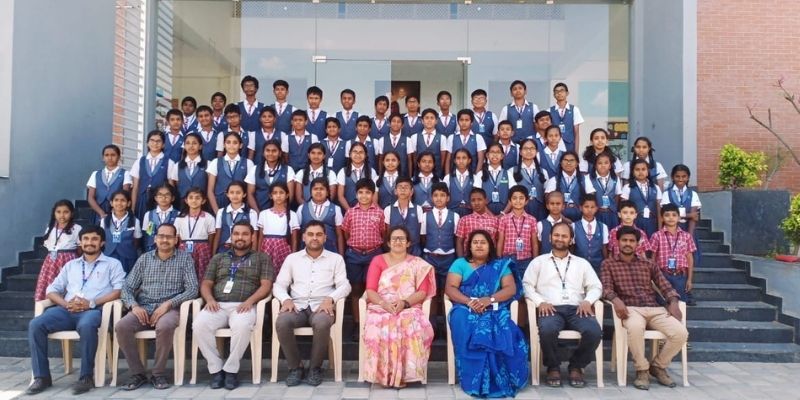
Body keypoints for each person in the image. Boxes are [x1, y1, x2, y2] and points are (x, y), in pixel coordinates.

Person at [26, 225, 126, 395]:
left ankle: (86, 377)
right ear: (80, 241)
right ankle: (42, 377)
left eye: (94, 239)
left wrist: (91, 303)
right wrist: (65, 304)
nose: (89, 242)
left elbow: (119, 291)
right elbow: (51, 290)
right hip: (67, 311)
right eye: (85, 239)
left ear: (102, 242)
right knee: (36, 324)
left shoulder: (112, 264)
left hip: (93, 311)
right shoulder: (70, 265)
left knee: (87, 325)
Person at [601, 226, 689, 390]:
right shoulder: (608, 264)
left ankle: (658, 366)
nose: (628, 243)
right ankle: (642, 370)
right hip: (630, 309)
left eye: (632, 241)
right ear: (617, 242)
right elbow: (606, 288)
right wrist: (615, 299)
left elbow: (665, 285)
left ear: (637, 243)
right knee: (635, 328)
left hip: (654, 308)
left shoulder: (648, 263)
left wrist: (673, 301)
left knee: (681, 333)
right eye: (624, 240)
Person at [446, 230, 529, 398]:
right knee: (463, 321)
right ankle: (473, 379)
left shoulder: (500, 266)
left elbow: (510, 289)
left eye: (483, 242)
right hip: (464, 307)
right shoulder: (460, 263)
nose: (479, 245)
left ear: (490, 246)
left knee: (506, 328)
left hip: (493, 307)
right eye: (475, 242)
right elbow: (450, 288)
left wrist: (489, 300)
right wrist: (469, 302)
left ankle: (501, 379)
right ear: (469, 246)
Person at [116, 223, 199, 390]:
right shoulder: (144, 259)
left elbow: (192, 289)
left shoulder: (185, 259)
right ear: (155, 238)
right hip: (144, 307)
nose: (164, 240)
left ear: (176, 240)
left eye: (169, 237)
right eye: (161, 236)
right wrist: (134, 306)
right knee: (122, 326)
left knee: (165, 326)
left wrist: (169, 304)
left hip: (171, 309)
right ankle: (137, 373)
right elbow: (127, 287)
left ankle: (158, 373)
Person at [194, 221, 273, 390]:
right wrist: (209, 299)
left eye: (245, 234)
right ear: (231, 236)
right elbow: (206, 283)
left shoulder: (261, 258)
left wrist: (250, 301)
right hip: (218, 305)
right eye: (236, 234)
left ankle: (231, 370)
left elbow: (266, 285)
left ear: (252, 237)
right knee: (199, 324)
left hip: (244, 305)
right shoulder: (218, 258)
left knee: (242, 326)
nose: (240, 237)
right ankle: (216, 370)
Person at [523, 222, 602, 388]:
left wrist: (588, 301)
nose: (560, 239)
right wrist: (540, 302)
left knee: (594, 331)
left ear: (571, 239)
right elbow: (527, 285)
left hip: (577, 309)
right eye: (557, 235)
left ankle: (577, 366)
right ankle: (553, 367)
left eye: (564, 236)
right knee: (547, 330)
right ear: (550, 237)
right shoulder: (538, 262)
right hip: (550, 308)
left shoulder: (582, 263)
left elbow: (596, 286)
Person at [273, 221, 352, 386]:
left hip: (322, 306)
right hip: (297, 306)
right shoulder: (292, 259)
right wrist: (285, 299)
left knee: (322, 323)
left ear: (325, 237)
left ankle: (315, 368)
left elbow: (345, 286)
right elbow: (279, 285)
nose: (314, 238)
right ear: (303, 237)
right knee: (282, 322)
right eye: (310, 234)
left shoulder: (335, 259)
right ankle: (296, 367)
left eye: (318, 234)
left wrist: (330, 299)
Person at [362, 226, 436, 387]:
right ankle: (384, 375)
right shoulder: (377, 261)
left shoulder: (418, 264)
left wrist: (404, 303)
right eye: (394, 238)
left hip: (409, 305)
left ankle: (404, 375)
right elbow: (371, 290)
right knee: (379, 322)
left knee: (409, 322)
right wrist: (383, 304)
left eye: (402, 239)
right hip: (381, 305)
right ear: (388, 242)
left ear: (408, 243)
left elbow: (422, 292)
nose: (398, 241)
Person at [341, 179, 385, 331]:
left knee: (372, 289)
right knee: (356, 289)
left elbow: (383, 232)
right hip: (354, 255)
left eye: (368, 192)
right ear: (356, 194)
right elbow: (346, 232)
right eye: (360, 192)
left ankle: (370, 322)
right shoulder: (350, 212)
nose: (364, 196)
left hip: (374, 255)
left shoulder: (379, 213)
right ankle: (357, 322)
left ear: (373, 195)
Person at [34, 200, 82, 301]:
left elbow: (80, 248)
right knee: (50, 282)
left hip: (68, 260)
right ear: (54, 213)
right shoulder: (50, 228)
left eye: (66, 212)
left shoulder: (76, 228)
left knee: (66, 283)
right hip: (51, 261)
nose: (62, 215)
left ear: (72, 213)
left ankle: (65, 303)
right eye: (58, 212)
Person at [650, 204, 697, 303]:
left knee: (680, 303)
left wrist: (689, 279)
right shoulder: (657, 236)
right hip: (662, 275)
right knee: (663, 303)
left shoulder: (686, 236)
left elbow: (690, 258)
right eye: (667, 215)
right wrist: (653, 277)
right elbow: (653, 258)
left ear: (679, 218)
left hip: (680, 275)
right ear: (662, 218)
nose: (671, 218)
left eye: (674, 215)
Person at [496, 185, 539, 281]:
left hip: (526, 259)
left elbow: (534, 243)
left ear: (526, 201)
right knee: (509, 283)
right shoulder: (504, 219)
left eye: (521, 198)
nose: (518, 201)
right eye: (514, 198)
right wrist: (499, 259)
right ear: (510, 201)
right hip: (508, 259)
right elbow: (500, 241)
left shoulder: (532, 220)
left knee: (524, 283)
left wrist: (535, 261)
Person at [130, 130, 175, 221]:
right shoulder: (139, 161)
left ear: (163, 144)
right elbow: (135, 187)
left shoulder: (169, 162)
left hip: (160, 201)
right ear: (147, 143)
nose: (155, 143)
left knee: (157, 223)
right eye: (152, 140)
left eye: (158, 141)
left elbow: (171, 186)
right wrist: (133, 208)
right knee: (142, 224)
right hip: (142, 200)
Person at [257, 182, 299, 276]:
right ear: (270, 196)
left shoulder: (292, 215)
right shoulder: (264, 214)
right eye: (275, 193)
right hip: (267, 247)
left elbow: (294, 239)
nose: (278, 196)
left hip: (283, 248)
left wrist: (294, 256)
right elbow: (260, 237)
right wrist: (259, 253)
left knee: (283, 274)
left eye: (281, 192)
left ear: (287, 195)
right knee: (266, 273)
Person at [175, 187, 216, 281]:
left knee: (202, 272)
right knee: (185, 273)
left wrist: (206, 248)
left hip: (202, 248)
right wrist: (183, 245)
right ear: (186, 200)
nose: (194, 200)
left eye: (197, 198)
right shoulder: (180, 218)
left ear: (203, 201)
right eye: (191, 197)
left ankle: (201, 289)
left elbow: (211, 237)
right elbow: (178, 237)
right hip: (184, 247)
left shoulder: (209, 217)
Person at [208, 132, 255, 212]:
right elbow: (210, 190)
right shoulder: (215, 162)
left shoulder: (248, 163)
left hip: (241, 204)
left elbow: (250, 191)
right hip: (220, 203)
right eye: (228, 142)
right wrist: (217, 212)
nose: (231, 145)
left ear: (240, 145)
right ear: (224, 145)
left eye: (235, 143)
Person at [86, 144, 132, 224]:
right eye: (106, 155)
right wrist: (101, 213)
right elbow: (90, 197)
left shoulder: (125, 174)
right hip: (98, 211)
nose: (110, 158)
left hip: (117, 212)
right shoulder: (96, 174)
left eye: (113, 155)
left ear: (118, 157)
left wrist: (115, 212)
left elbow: (125, 195)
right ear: (103, 158)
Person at [100, 191, 142, 274]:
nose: (119, 203)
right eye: (116, 200)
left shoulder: (134, 221)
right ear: (111, 203)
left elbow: (136, 240)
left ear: (128, 203)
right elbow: (102, 238)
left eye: (123, 200)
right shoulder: (104, 220)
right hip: (109, 255)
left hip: (128, 257)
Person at [246, 140, 294, 212]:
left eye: (274, 151)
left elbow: (290, 195)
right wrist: (258, 213)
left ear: (280, 153)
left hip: (281, 212)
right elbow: (250, 194)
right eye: (268, 150)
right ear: (263, 153)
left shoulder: (288, 170)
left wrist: (279, 212)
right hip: (259, 211)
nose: (270, 153)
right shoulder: (255, 169)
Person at [213, 181, 258, 254]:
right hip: (224, 250)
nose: (235, 195)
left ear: (244, 194)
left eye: (238, 192)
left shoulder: (251, 213)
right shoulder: (221, 212)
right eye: (232, 192)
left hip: (244, 250)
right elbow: (218, 235)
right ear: (227, 194)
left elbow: (254, 236)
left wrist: (253, 255)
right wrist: (214, 254)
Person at [621, 158, 662, 238]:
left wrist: (660, 229)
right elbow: (623, 209)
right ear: (633, 172)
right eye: (637, 169)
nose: (640, 172)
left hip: (652, 222)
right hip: (635, 222)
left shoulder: (656, 188)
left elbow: (659, 210)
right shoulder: (627, 187)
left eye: (643, 169)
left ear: (648, 171)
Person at [384, 177, 424, 256]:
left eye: (406, 187)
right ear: (395, 191)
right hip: (395, 249)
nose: (403, 190)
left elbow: (420, 231)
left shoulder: (418, 209)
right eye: (400, 187)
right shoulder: (388, 209)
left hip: (414, 250)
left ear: (411, 192)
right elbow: (387, 231)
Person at [455, 188, 499, 255]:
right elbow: (459, 242)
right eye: (473, 200)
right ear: (470, 202)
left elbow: (498, 241)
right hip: (469, 258)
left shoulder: (495, 221)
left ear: (486, 201)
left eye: (479, 199)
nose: (476, 203)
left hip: (490, 259)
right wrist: (461, 259)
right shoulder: (464, 220)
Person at [544, 150, 585, 222]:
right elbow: (548, 201)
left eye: (572, 160)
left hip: (581, 219)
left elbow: (590, 201)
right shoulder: (553, 180)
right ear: (561, 163)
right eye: (565, 160)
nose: (568, 163)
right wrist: (562, 218)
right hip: (559, 219)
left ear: (577, 163)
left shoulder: (585, 179)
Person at [513, 138, 549, 221]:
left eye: (532, 148)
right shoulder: (512, 171)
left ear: (536, 152)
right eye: (525, 148)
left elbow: (547, 193)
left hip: (540, 210)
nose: (529, 151)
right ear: (520, 152)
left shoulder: (543, 171)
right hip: (521, 210)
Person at [572, 195, 609, 273]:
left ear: (596, 208)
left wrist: (606, 264)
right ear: (580, 208)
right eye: (586, 207)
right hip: (578, 266)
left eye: (592, 207)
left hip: (598, 267)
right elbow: (572, 248)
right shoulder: (574, 226)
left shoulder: (603, 227)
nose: (589, 209)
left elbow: (604, 248)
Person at [409, 108, 447, 178]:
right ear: (422, 121)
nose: (429, 120)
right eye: (426, 118)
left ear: (436, 121)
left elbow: (442, 159)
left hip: (436, 174)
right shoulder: (414, 137)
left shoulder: (442, 138)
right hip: (419, 174)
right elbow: (414, 157)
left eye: (432, 118)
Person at [481, 143, 517, 215]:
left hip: (505, 214)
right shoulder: (480, 174)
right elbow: (477, 197)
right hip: (485, 214)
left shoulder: (508, 174)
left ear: (502, 156)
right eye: (492, 152)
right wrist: (490, 215)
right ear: (487, 155)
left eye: (498, 152)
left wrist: (503, 213)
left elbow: (513, 195)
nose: (495, 155)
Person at [588, 152, 622, 229]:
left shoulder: (615, 178)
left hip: (611, 213)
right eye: (600, 163)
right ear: (595, 165)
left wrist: (612, 208)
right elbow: (591, 196)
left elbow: (617, 195)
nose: (603, 165)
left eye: (606, 163)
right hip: (597, 213)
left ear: (610, 166)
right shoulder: (589, 178)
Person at [446, 109, 486, 173]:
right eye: (461, 120)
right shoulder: (451, 137)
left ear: (472, 122)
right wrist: (447, 175)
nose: (464, 123)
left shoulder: (478, 138)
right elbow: (448, 159)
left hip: (472, 175)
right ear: (458, 122)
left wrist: (476, 176)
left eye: (467, 120)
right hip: (454, 175)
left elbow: (481, 159)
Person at [141, 184, 178, 252]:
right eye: (160, 195)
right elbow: (147, 234)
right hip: (152, 250)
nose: (163, 198)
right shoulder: (149, 214)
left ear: (172, 198)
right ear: (155, 198)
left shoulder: (178, 215)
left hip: (171, 250)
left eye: (167, 195)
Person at [172, 132, 208, 200]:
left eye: (194, 143)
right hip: (183, 202)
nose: (191, 146)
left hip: (202, 202)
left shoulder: (208, 164)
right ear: (184, 146)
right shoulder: (177, 165)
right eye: (188, 143)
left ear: (200, 146)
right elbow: (176, 184)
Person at [549, 83, 584, 152]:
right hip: (555, 147)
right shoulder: (549, 111)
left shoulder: (574, 109)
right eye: (556, 91)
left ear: (567, 93)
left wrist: (576, 152)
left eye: (562, 91)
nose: (559, 93)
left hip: (570, 146)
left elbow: (576, 133)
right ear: (554, 95)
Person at [446, 149, 481, 216]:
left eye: (464, 158)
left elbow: (477, 197)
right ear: (454, 160)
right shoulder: (448, 178)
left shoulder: (475, 178)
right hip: (452, 211)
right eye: (458, 158)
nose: (461, 161)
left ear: (469, 160)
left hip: (470, 212)